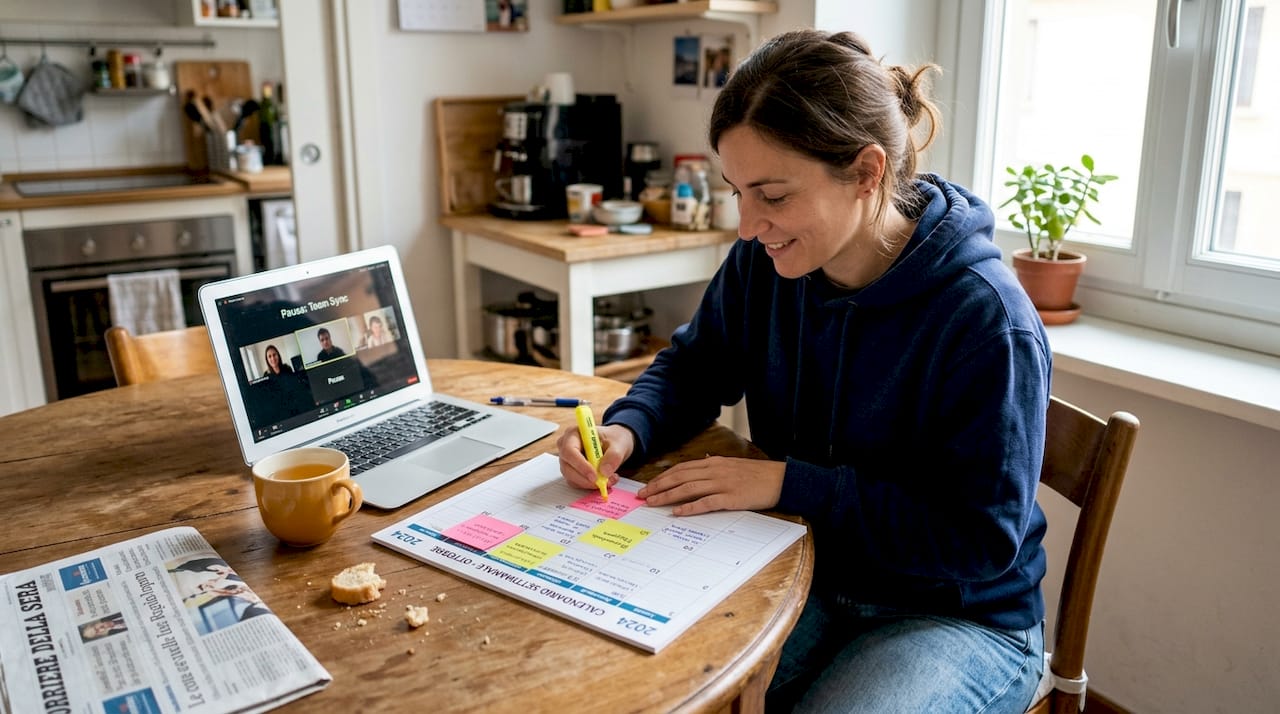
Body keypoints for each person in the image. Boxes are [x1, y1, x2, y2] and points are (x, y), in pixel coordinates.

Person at [556, 29, 1050, 713]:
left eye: (773, 195)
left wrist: (791, 484)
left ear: (868, 171)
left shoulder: (986, 320)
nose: (747, 224)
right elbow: (697, 365)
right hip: (801, 567)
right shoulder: (769, 262)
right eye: (736, 191)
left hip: (955, 616)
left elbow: (979, 538)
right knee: (639, 682)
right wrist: (627, 431)